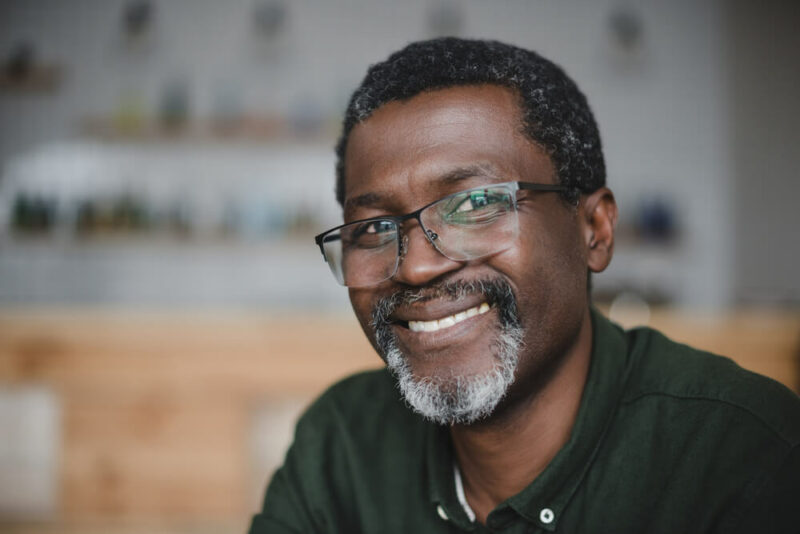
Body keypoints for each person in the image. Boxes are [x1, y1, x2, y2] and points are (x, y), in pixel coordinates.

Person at [249, 38, 800, 533]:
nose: (416, 268)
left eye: (476, 204)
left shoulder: (746, 455)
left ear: (595, 230)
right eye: (373, 228)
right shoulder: (341, 444)